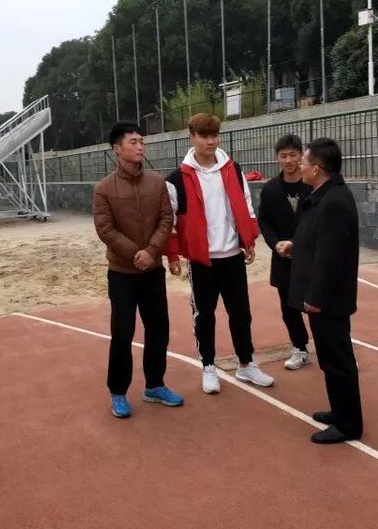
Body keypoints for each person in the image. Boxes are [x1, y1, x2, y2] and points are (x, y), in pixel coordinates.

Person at [165, 113, 274, 394]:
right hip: (202, 259)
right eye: (204, 136)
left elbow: (246, 205)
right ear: (192, 137)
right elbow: (171, 219)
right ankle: (208, 367)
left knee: (241, 313)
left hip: (232, 254)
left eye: (214, 135)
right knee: (204, 315)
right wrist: (173, 255)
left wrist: (249, 240)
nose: (210, 141)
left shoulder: (232, 169)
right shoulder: (177, 178)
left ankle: (246, 363)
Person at [93, 122, 183, 418]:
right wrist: (136, 254)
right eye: (133, 142)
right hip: (122, 273)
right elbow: (105, 229)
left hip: (153, 271)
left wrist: (152, 251)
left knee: (158, 330)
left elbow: (166, 219)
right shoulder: (104, 188)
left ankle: (155, 385)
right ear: (117, 149)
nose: (140, 146)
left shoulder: (157, 183)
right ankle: (118, 392)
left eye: (141, 141)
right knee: (122, 332)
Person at [281, 138, 363, 444]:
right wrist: (296, 245)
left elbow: (331, 256)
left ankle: (349, 425)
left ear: (316, 169)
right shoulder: (324, 195)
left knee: (338, 360)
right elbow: (319, 239)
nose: (299, 166)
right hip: (324, 298)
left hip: (329, 300)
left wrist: (315, 298)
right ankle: (340, 412)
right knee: (329, 359)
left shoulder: (334, 202)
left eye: (303, 162)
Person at [258, 134, 313, 370]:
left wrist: (298, 244)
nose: (288, 160)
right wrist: (276, 244)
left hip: (311, 258)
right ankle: (300, 348)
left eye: (293, 155)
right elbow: (264, 221)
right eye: (283, 156)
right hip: (283, 258)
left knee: (319, 304)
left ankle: (335, 348)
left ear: (301, 155)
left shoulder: (313, 185)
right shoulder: (271, 189)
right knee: (289, 307)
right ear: (277, 158)